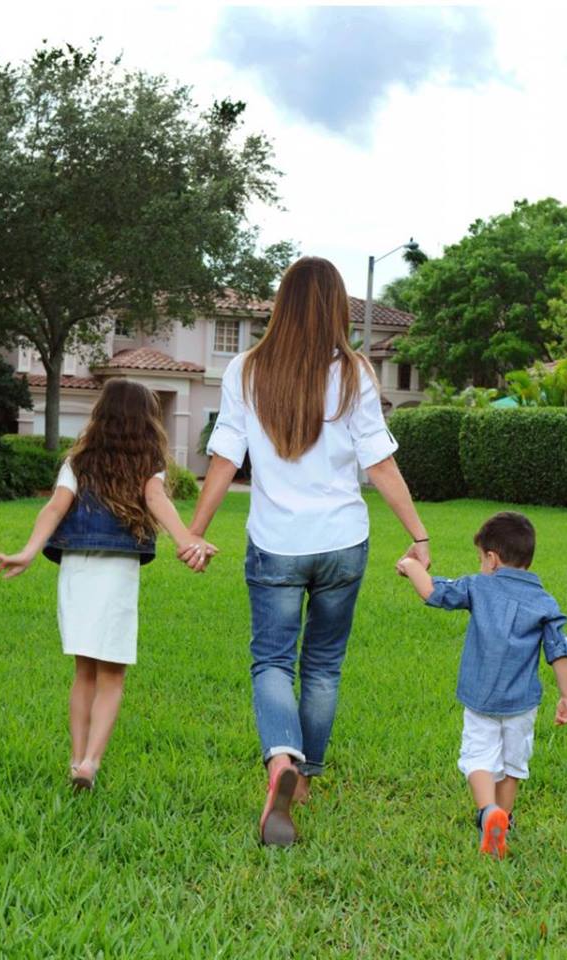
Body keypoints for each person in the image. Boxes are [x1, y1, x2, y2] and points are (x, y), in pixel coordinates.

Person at [184, 256, 430, 846]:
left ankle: (281, 765)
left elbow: (224, 458)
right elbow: (380, 462)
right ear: (337, 308)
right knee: (322, 664)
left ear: (282, 303)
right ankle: (306, 777)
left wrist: (195, 530)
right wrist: (419, 534)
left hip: (276, 544)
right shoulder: (355, 373)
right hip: (343, 541)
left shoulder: (245, 368)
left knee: (272, 661)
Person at [0, 379, 216, 789]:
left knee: (84, 672)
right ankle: (91, 762)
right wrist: (187, 541)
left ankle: (76, 761)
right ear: (145, 420)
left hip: (76, 572)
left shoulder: (78, 461)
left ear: (102, 415)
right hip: (116, 576)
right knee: (112, 675)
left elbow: (54, 507)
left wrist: (26, 552)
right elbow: (157, 501)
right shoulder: (147, 462)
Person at [397, 511, 567, 859]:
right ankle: (504, 820)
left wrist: (410, 564)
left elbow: (433, 592)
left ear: (492, 560)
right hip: (522, 701)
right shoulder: (544, 602)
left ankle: (486, 813)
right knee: (512, 765)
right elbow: (559, 651)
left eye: (480, 559)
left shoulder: (479, 587)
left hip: (480, 696)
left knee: (478, 756)